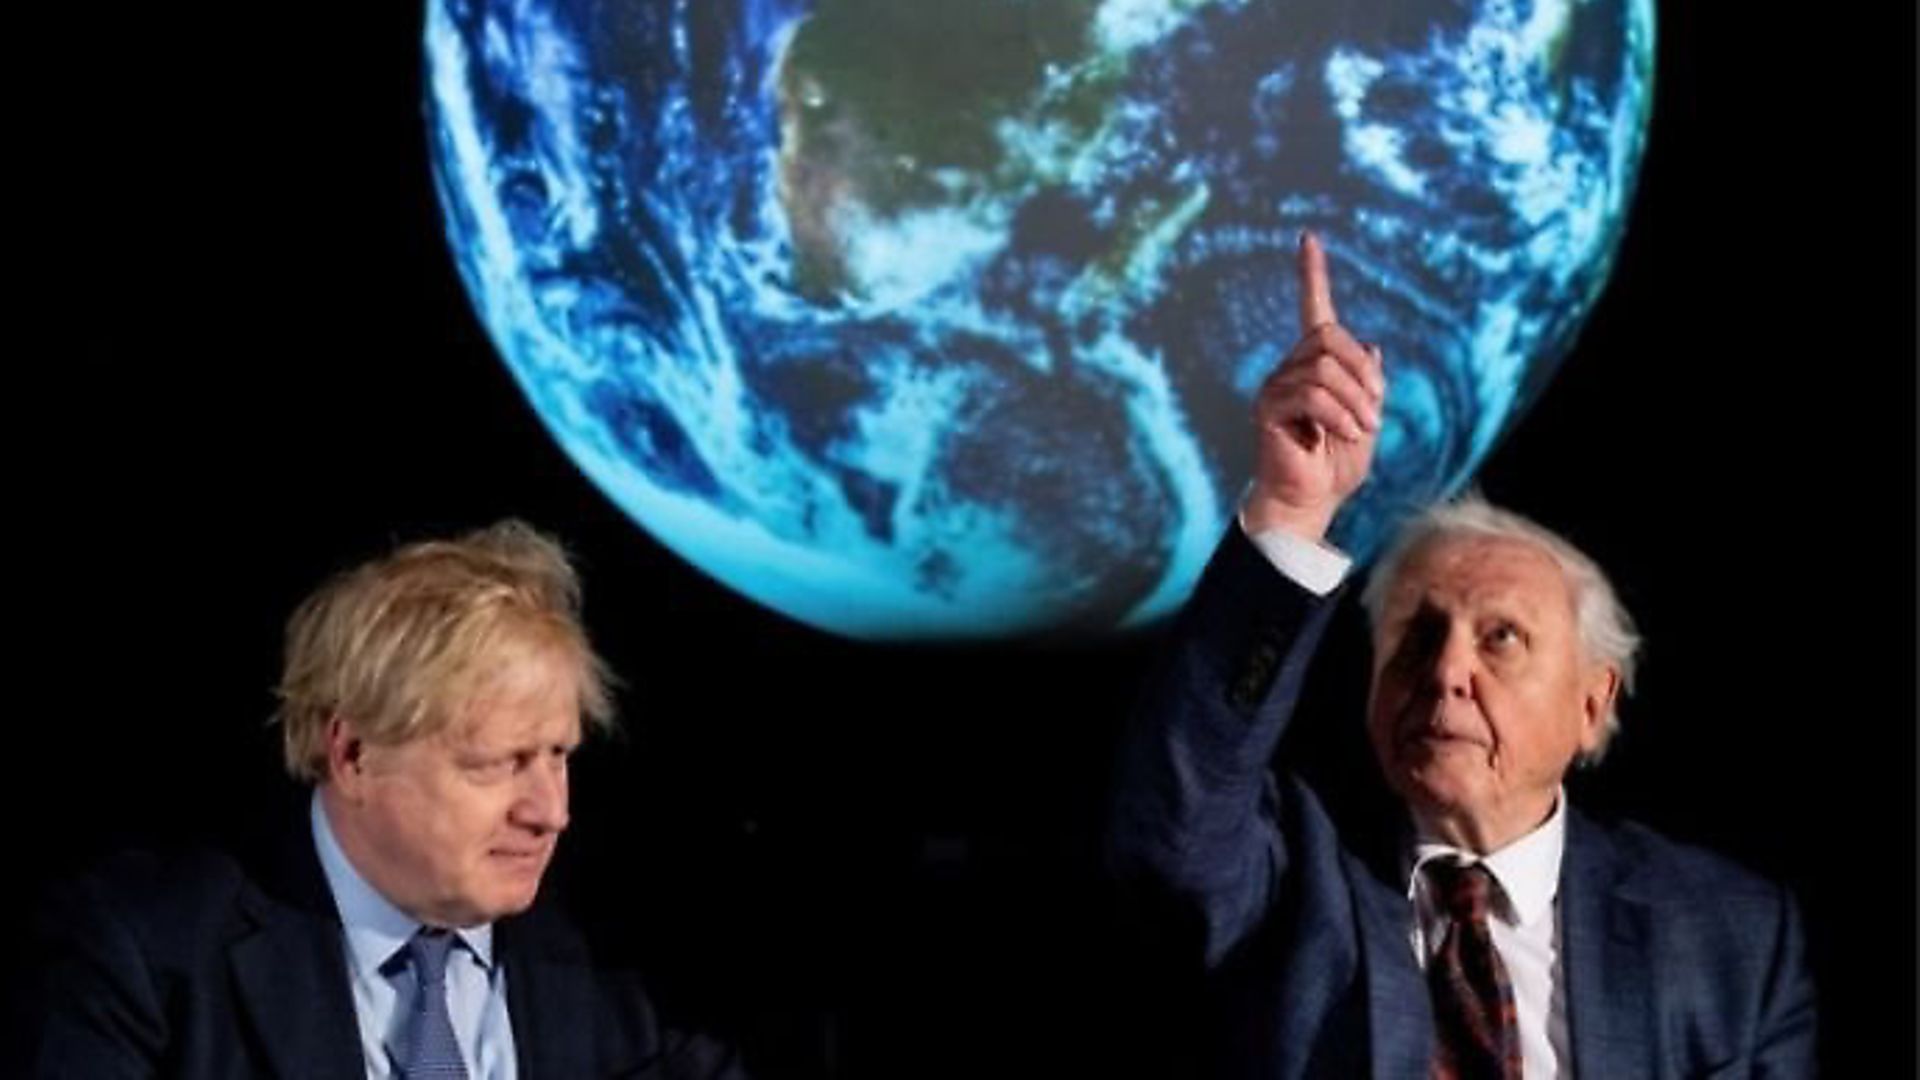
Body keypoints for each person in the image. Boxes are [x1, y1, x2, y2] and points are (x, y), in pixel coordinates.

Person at [1108, 234, 1816, 1077]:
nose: (1445, 671)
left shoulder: (1732, 937)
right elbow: (1175, 819)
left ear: (1593, 705)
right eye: (1416, 633)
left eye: (1501, 639)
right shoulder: (1288, 878)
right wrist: (1294, 511)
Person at [33, 521, 743, 1079]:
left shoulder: (625, 971)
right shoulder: (147, 956)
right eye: (496, 764)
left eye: (558, 756)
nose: (549, 812)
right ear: (353, 755)